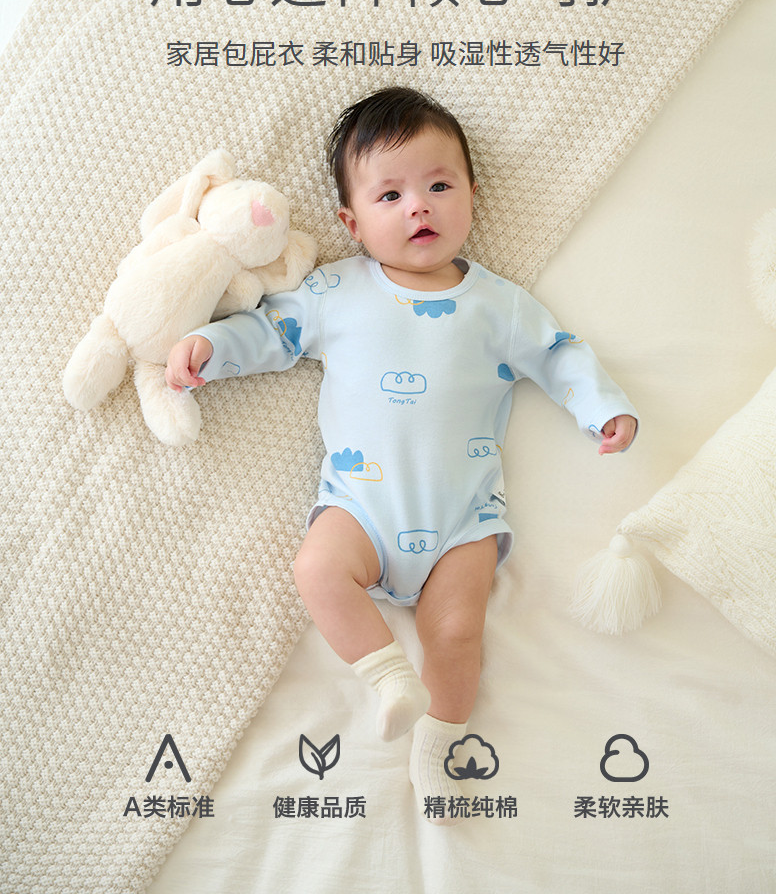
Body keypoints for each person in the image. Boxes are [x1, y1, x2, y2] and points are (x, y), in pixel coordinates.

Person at [165, 87, 638, 824]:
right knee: (315, 569)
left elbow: (559, 354)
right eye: (390, 195)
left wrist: (602, 407)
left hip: (462, 520)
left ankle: (441, 747)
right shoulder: (333, 292)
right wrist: (210, 347)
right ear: (352, 223)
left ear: (473, 196)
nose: (419, 206)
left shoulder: (500, 306)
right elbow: (270, 332)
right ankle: (389, 677)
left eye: (439, 186)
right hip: (360, 506)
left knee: (458, 632)